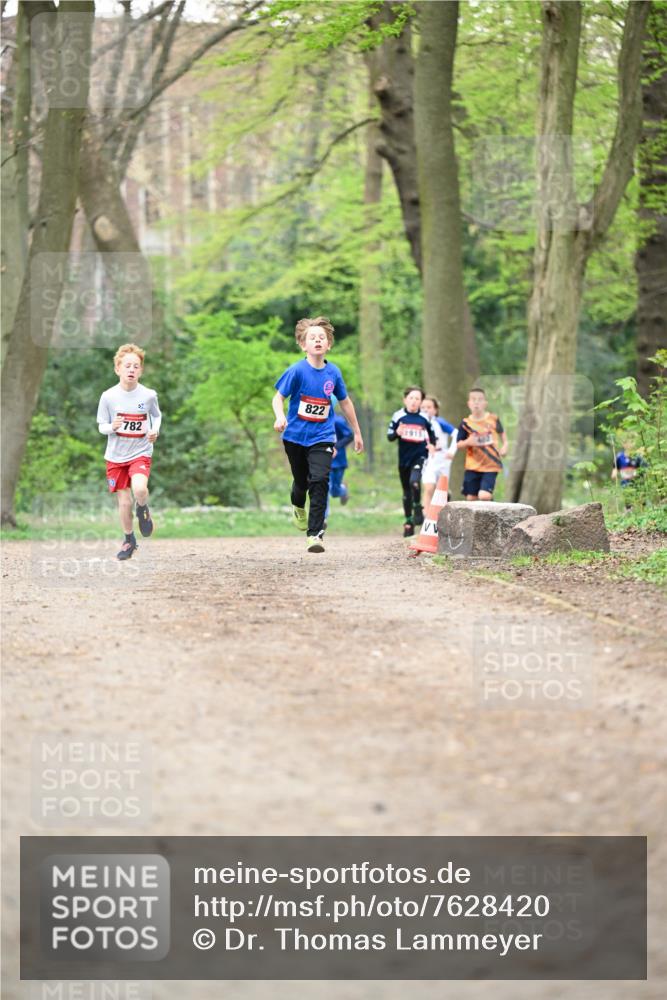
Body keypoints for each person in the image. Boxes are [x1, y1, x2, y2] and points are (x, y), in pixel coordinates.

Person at [272, 316, 363, 553]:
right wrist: (280, 416)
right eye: (312, 338)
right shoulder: (297, 371)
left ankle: (315, 534)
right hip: (294, 437)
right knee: (301, 482)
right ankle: (298, 506)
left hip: (322, 436)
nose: (317, 341)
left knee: (320, 480)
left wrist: (357, 431)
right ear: (304, 345)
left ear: (329, 344)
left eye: (322, 337)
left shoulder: (333, 373)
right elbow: (278, 398)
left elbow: (345, 402)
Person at [96, 343, 161, 560]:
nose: (131, 369)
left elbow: (157, 416)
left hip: (140, 451)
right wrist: (111, 427)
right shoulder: (108, 396)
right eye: (127, 366)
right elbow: (101, 425)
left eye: (136, 366)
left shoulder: (149, 395)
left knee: (140, 489)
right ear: (118, 369)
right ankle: (129, 540)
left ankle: (143, 510)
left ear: (141, 370)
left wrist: (154, 430)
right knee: (124, 502)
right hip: (115, 456)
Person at [387, 385, 437, 537]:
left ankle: (417, 507)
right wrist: (397, 432)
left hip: (420, 455)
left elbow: (432, 435)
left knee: (414, 482)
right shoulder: (398, 416)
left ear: (421, 402)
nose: (414, 401)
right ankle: (408, 522)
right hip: (404, 459)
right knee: (406, 491)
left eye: (417, 399)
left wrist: (432, 446)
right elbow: (389, 437)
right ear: (405, 400)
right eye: (411, 398)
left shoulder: (424, 417)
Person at [455, 387, 508, 501]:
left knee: (484, 496)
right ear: (469, 403)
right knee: (471, 498)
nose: (476, 402)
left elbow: (502, 433)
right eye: (473, 399)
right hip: (472, 465)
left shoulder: (493, 419)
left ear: (485, 403)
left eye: (480, 399)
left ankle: (490, 507)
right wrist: (468, 442)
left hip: (491, 464)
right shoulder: (465, 423)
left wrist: (505, 446)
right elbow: (458, 445)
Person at [420, 395, 457, 510]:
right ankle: (426, 516)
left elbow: (457, 433)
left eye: (429, 407)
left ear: (435, 410)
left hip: (442, 458)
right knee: (429, 487)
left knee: (441, 490)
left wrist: (452, 451)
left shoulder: (440, 422)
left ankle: (439, 515)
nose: (426, 409)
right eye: (423, 407)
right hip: (428, 458)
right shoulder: (419, 423)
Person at [329, 407, 354, 506]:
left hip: (338, 461)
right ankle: (323, 518)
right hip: (322, 460)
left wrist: (336, 447)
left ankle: (343, 490)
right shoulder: (316, 421)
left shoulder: (337, 421)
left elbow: (350, 436)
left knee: (334, 492)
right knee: (323, 488)